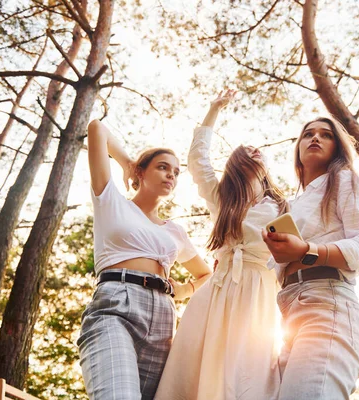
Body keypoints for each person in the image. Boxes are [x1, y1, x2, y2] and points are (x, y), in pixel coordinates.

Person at [155, 90, 286, 400]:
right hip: (217, 289)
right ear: (237, 162)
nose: (255, 151)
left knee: (246, 372)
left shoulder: (282, 206)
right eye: (247, 150)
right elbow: (197, 160)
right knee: (197, 365)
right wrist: (213, 110)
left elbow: (290, 254)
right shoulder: (224, 198)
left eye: (259, 151)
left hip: (258, 292)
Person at [77, 119, 212, 400]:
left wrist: (183, 291)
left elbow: (206, 276)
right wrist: (128, 163)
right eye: (162, 167)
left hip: (163, 319)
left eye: (175, 172)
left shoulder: (174, 231)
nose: (170, 175)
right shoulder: (111, 201)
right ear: (141, 171)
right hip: (116, 305)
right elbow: (96, 129)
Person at [262, 116, 359, 400]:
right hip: (289, 315)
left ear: (338, 148)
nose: (315, 138)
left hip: (328, 306)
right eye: (308, 134)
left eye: (326, 135)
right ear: (298, 148)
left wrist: (307, 251)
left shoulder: (344, 180)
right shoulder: (294, 204)